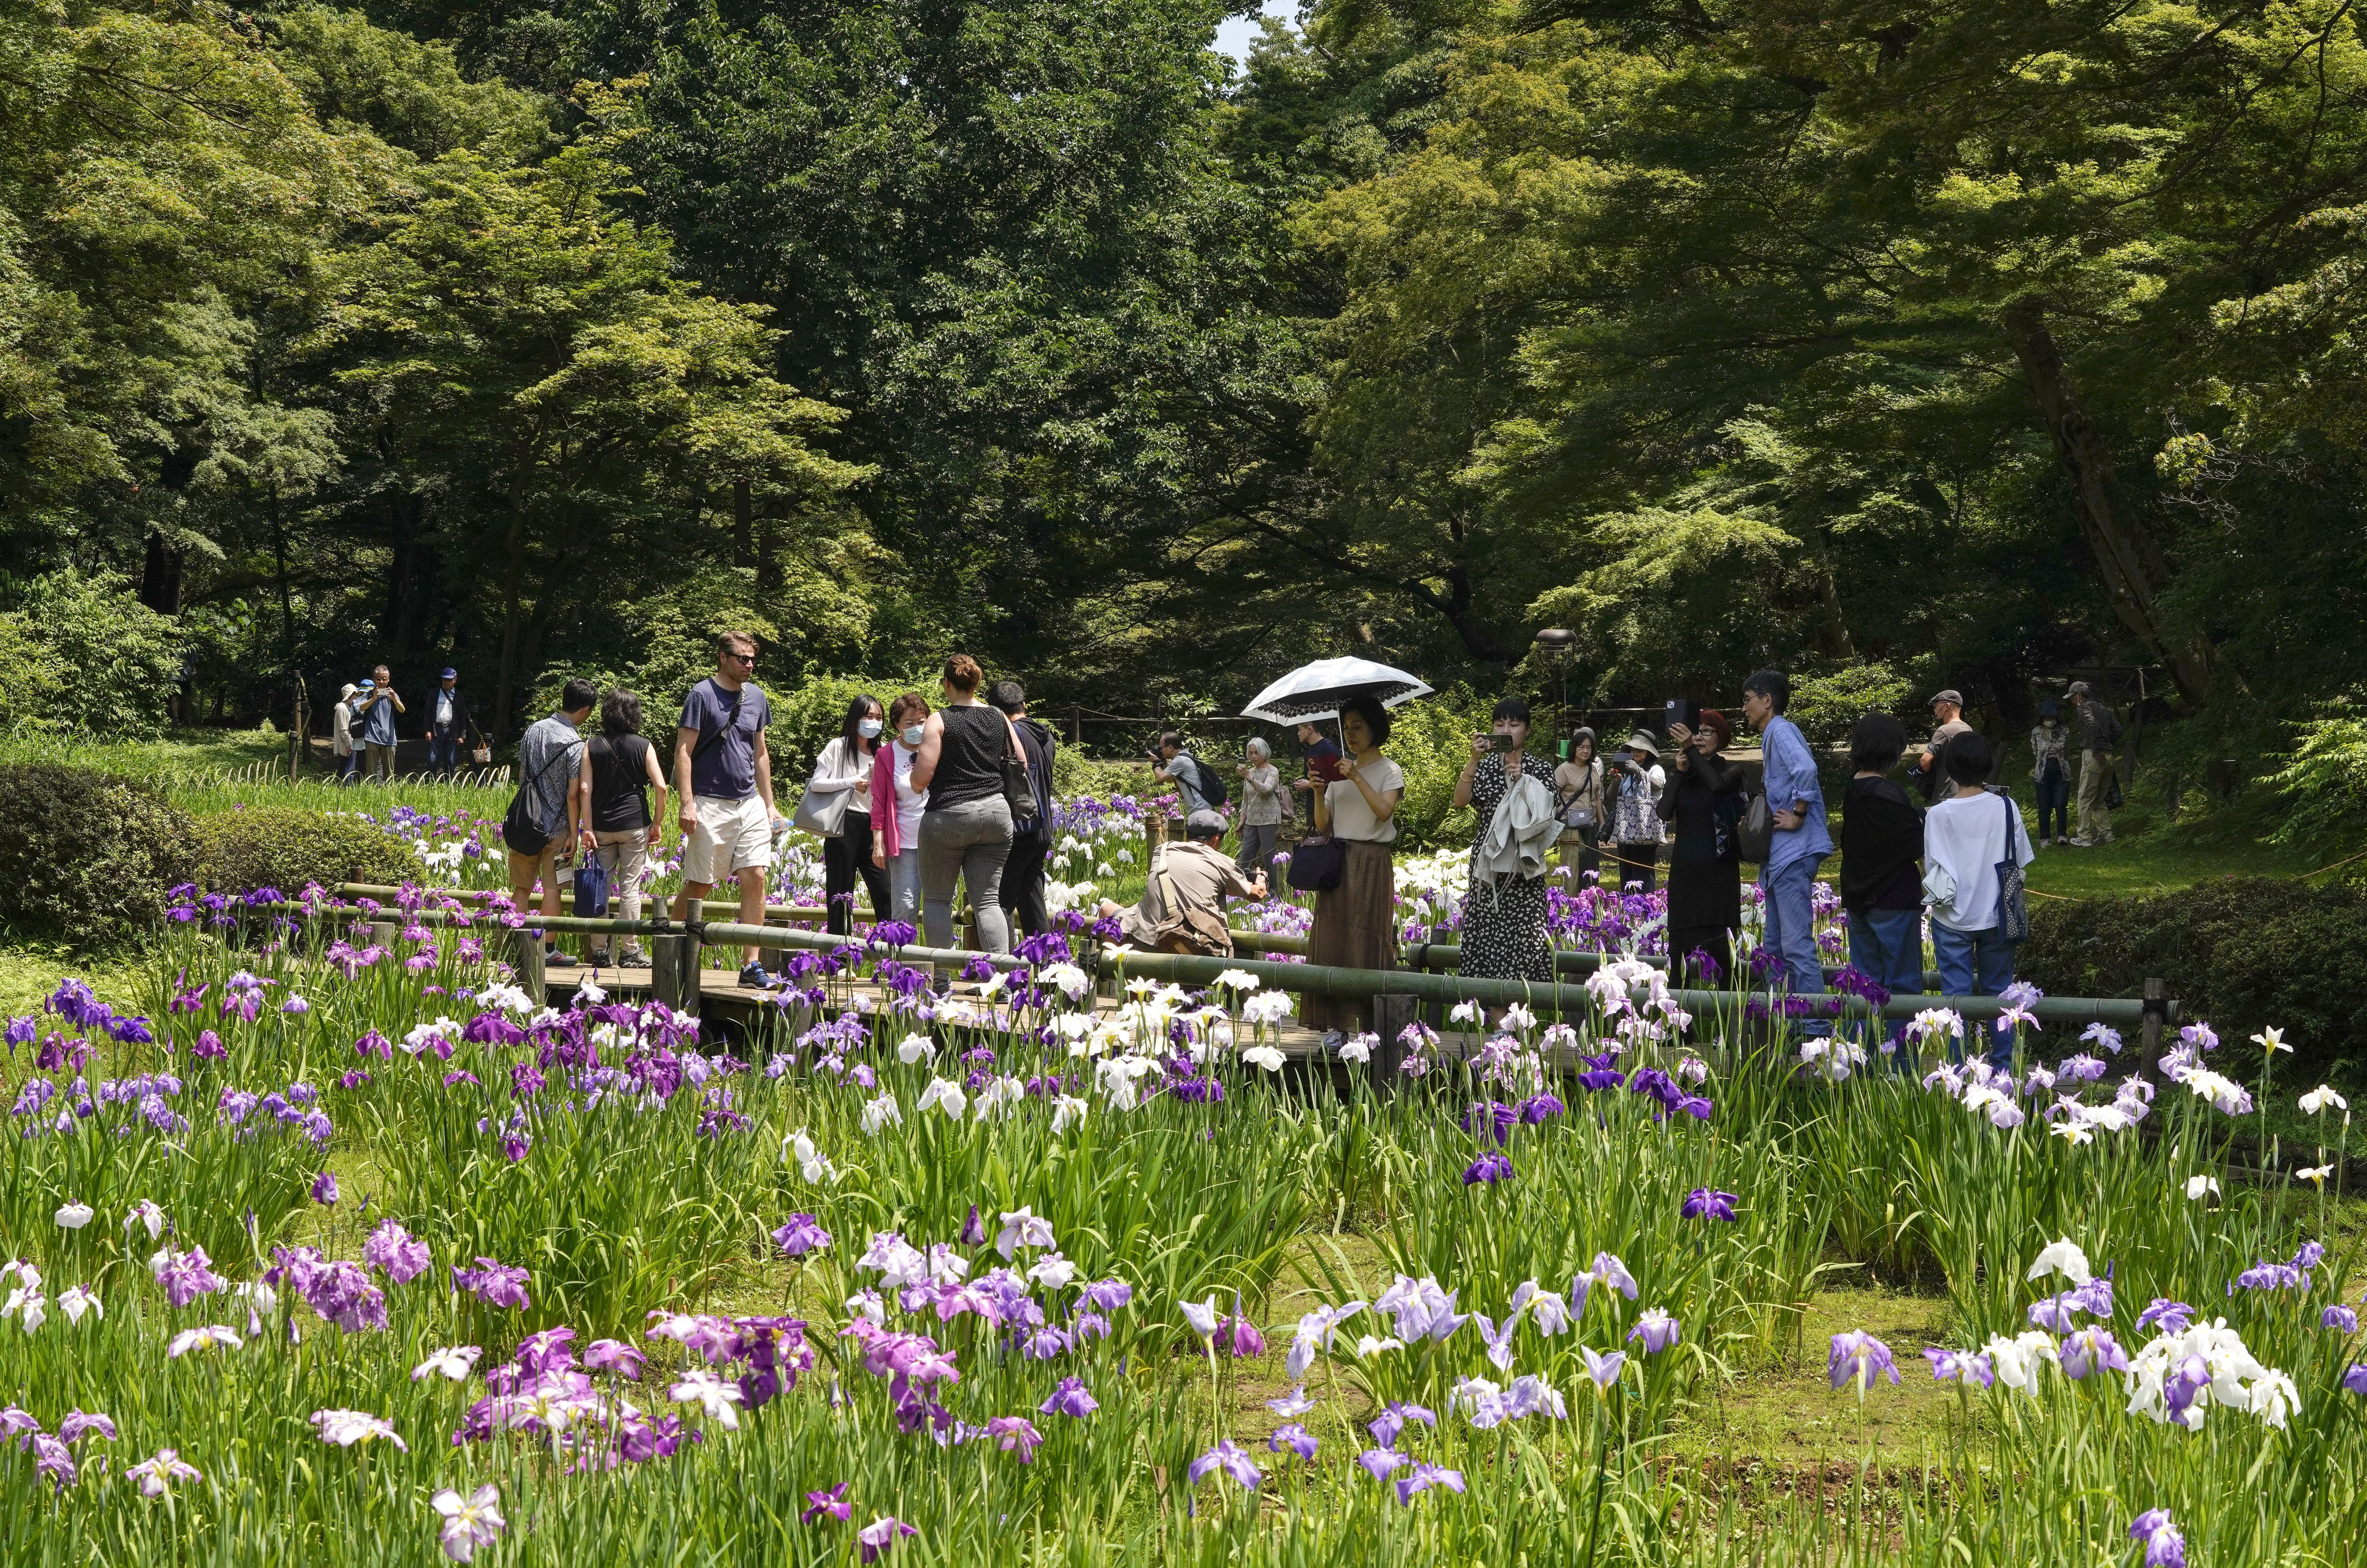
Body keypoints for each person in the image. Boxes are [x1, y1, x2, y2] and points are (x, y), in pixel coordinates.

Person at [670, 632, 785, 988]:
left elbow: (761, 752)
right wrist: (686, 803)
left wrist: (770, 803)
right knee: (700, 885)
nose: (749, 664)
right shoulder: (702, 695)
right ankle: (671, 947)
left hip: (748, 800)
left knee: (756, 877)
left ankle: (751, 965)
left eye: (753, 659)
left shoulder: (758, 697)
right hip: (708, 801)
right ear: (723, 658)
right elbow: (684, 752)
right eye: (742, 658)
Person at [1923, 731, 2036, 1067]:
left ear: (1950, 768)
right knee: (2000, 994)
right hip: (2000, 914)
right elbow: (2020, 860)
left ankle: (1956, 1070)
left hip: (1949, 916)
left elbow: (1934, 868)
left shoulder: (1937, 814)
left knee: (1954, 998)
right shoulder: (2005, 806)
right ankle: (2003, 1070)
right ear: (1987, 766)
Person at [910, 654, 1029, 958]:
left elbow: (922, 778)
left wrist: (913, 779)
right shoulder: (998, 716)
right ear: (977, 683)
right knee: (987, 901)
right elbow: (1022, 762)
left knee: (937, 900)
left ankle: (941, 981)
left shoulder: (939, 720)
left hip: (950, 814)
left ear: (947, 683)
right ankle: (1002, 979)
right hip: (997, 814)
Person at [1306, 693, 1405, 1037]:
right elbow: (1323, 825)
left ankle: (1362, 1024)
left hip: (1371, 862)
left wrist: (1357, 778)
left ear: (1375, 728)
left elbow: (1383, 811)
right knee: (1333, 936)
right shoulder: (1338, 770)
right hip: (1338, 860)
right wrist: (1320, 792)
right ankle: (1335, 1025)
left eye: (1358, 726)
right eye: (1347, 727)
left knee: (1364, 938)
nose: (1351, 733)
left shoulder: (1390, 769)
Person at [1743, 670, 1833, 1030]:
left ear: (1767, 701)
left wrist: (1798, 813)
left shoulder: (1780, 729)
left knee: (1795, 947)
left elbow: (1806, 769)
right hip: (1780, 859)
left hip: (1793, 854)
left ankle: (1816, 1032)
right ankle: (1788, 1027)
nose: (1745, 707)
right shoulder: (1772, 735)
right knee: (1775, 948)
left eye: (1748, 699)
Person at [1453, 698, 1559, 983]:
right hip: (1488, 861)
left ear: (1527, 729)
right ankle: (1497, 1021)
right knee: (1486, 936)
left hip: (1524, 863)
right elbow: (1460, 801)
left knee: (1526, 938)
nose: (1506, 730)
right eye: (1499, 724)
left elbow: (1548, 815)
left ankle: (1518, 1020)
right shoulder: (1485, 767)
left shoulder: (1540, 769)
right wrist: (1473, 760)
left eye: (1514, 724)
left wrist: (1524, 783)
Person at [1838, 712, 1925, 1010]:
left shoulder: (1853, 788)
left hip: (1857, 897)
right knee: (1903, 987)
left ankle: (1863, 1054)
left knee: (1865, 985)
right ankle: (1898, 1057)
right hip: (1894, 900)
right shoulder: (1890, 794)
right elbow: (1915, 843)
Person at [574, 688, 667, 968]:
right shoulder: (644, 745)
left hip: (601, 826)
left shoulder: (592, 745)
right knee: (630, 889)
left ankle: (600, 952)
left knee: (600, 888)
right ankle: (630, 951)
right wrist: (657, 823)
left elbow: (584, 789)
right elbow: (661, 787)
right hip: (634, 825)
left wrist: (587, 828)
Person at [510, 678, 595, 969]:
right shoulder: (575, 744)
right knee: (553, 889)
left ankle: (518, 946)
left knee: (521, 888)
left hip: (525, 825)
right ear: (585, 710)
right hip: (557, 829)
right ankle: (547, 950)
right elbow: (574, 795)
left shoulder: (534, 730)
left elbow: (523, 774)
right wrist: (575, 832)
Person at [1659, 709, 1745, 987]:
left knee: (1724, 960)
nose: (1699, 737)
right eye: (1696, 732)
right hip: (1685, 876)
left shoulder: (1732, 770)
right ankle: (1679, 1029)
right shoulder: (1686, 772)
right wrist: (1680, 772)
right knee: (1679, 962)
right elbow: (1663, 812)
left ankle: (1727, 1029)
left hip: (1720, 875)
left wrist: (1690, 752)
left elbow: (1716, 785)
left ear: (1721, 738)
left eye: (1707, 732)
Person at [1098, 809, 1265, 954]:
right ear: (1216, 838)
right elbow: (1256, 895)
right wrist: (1261, 878)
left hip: (1144, 941)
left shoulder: (1161, 851)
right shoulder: (1223, 862)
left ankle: (1112, 977)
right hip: (1193, 947)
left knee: (1108, 910)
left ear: (1186, 835)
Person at [810, 695, 894, 936]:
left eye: (879, 718)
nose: (874, 722)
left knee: (885, 892)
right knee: (840, 892)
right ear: (856, 718)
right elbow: (817, 783)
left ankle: (889, 957)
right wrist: (851, 783)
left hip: (875, 827)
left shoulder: (884, 751)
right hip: (844, 824)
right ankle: (839, 957)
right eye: (868, 717)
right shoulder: (838, 746)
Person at [989, 679, 1059, 939]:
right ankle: (1046, 969)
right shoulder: (1046, 736)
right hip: (1043, 827)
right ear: (1024, 705)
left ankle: (1007, 972)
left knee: (1000, 902)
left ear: (995, 711)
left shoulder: (1009, 735)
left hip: (1019, 828)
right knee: (1031, 900)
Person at [869, 692, 931, 925]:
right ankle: (902, 960)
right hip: (904, 842)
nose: (917, 727)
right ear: (897, 725)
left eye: (922, 722)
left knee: (939, 905)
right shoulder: (886, 755)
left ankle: (944, 960)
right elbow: (879, 803)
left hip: (937, 839)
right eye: (910, 723)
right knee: (905, 906)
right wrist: (878, 844)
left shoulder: (937, 747)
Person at [1605, 731, 1667, 893]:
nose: (1636, 752)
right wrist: (1616, 781)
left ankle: (1646, 906)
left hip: (1645, 827)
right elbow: (1611, 797)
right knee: (1626, 869)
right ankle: (1628, 907)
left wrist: (1639, 771)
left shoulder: (1655, 768)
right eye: (1633, 749)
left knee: (1642, 870)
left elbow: (1658, 785)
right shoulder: (1627, 771)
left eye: (1641, 749)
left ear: (1649, 752)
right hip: (1625, 828)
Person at [2068, 681, 2124, 846]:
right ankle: (2106, 833)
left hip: (2094, 754)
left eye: (2072, 698)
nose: (2071, 702)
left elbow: (2093, 726)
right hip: (2109, 756)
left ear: (2079, 696)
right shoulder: (2103, 708)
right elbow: (2119, 730)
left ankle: (2084, 837)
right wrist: (2107, 745)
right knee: (2100, 797)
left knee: (2084, 797)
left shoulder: (2083, 707)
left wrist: (2097, 749)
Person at [1552, 727, 1604, 888]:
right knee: (1578, 854)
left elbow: (1596, 797)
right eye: (1581, 747)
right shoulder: (1563, 769)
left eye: (1589, 747)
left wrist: (1601, 822)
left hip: (1589, 820)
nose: (1585, 751)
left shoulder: (1592, 769)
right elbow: (1552, 796)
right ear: (1573, 748)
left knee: (1590, 858)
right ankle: (1571, 889)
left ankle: (1588, 892)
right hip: (1568, 820)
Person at [1235, 737, 1286, 887]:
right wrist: (1241, 820)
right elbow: (1246, 799)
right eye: (1251, 753)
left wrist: (1250, 778)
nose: (1254, 756)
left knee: (1269, 856)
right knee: (1245, 856)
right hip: (1251, 819)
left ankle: (1273, 892)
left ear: (1265, 752)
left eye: (1257, 753)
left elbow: (1266, 790)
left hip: (1268, 818)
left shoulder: (1272, 771)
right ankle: (1241, 889)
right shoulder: (1249, 772)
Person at [1913, 689, 1973, 802]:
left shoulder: (1943, 731)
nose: (1934, 709)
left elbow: (1924, 761)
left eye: (1936, 705)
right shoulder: (1968, 729)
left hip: (1945, 793)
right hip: (1965, 792)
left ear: (1946, 706)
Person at [2030, 700, 2072, 848]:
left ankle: (2062, 835)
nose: (2050, 721)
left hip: (2062, 772)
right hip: (2042, 773)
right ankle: (2045, 838)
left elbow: (2067, 750)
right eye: (2047, 718)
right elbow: (2036, 752)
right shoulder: (2036, 732)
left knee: (2061, 804)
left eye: (2052, 718)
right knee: (2044, 806)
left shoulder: (2064, 731)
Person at [1290, 720, 1342, 828]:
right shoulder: (1308, 751)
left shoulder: (1329, 748)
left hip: (1329, 807)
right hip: (1312, 806)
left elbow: (1339, 781)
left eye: (1300, 729)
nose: (1298, 734)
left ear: (1310, 730)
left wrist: (1309, 784)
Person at [358, 665, 405, 783]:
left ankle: (388, 797)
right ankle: (372, 796)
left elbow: (402, 710)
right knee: (371, 773)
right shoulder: (368, 695)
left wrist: (394, 698)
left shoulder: (392, 694)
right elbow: (361, 708)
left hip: (389, 738)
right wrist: (374, 698)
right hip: (372, 737)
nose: (382, 682)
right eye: (378, 679)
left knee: (389, 773)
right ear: (374, 679)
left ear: (388, 679)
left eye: (384, 679)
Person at [1152, 731, 1215, 819]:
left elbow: (1159, 779)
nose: (1160, 750)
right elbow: (1169, 780)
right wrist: (1163, 762)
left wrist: (1156, 762)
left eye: (1161, 747)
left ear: (1170, 747)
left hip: (1201, 812)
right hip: (1202, 809)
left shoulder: (1180, 760)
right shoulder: (1185, 755)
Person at [426, 669, 474, 779]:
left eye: (449, 679)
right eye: (444, 679)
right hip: (436, 730)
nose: (446, 682)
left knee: (451, 761)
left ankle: (448, 787)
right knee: (432, 760)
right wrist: (428, 730)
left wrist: (462, 735)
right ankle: (428, 786)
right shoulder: (434, 693)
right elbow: (427, 713)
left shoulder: (459, 696)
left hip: (452, 731)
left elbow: (462, 717)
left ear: (455, 680)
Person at [331, 681, 359, 784]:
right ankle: (346, 788)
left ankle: (340, 787)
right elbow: (343, 729)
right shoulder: (342, 709)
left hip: (349, 743)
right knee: (349, 768)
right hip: (348, 744)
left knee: (345, 766)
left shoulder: (347, 708)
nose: (357, 697)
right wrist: (349, 744)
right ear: (350, 696)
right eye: (355, 695)